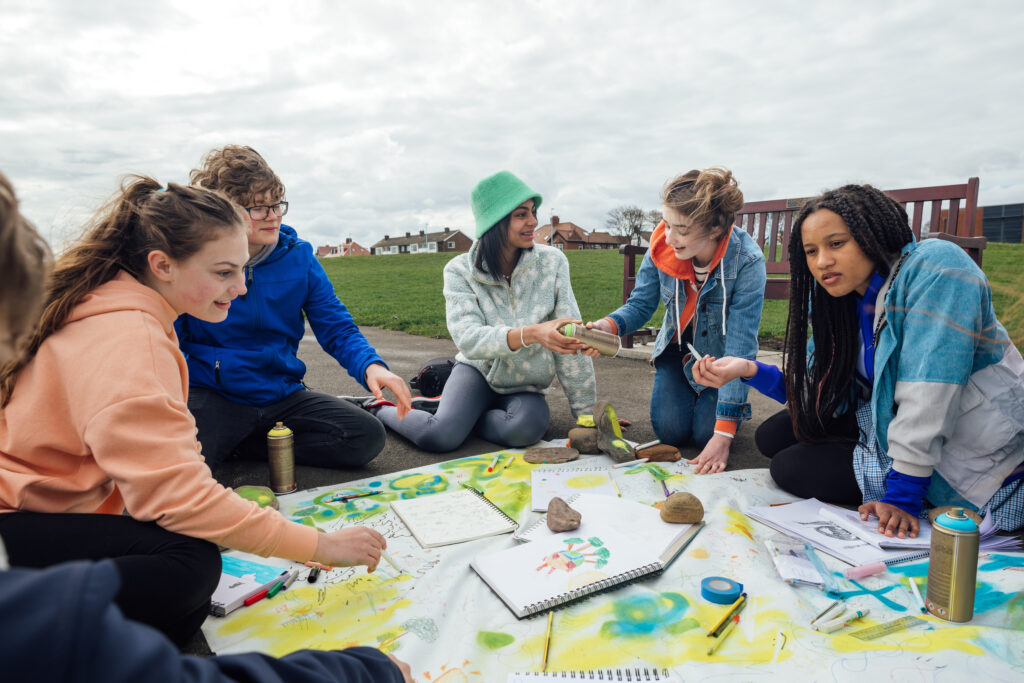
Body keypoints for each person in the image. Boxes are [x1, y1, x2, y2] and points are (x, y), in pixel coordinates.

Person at [0, 176, 390, 646]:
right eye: (224, 273)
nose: (242, 288)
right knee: (191, 568)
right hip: (18, 516)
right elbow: (176, 499)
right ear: (162, 265)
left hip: (42, 500)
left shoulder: (109, 301)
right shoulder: (132, 338)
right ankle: (29, 629)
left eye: (243, 270)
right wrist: (321, 546)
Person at [694, 183, 1024, 537]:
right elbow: (822, 393)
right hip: (888, 418)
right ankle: (874, 457)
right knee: (773, 436)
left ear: (872, 234)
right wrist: (748, 370)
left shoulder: (935, 267)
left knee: (791, 467)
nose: (822, 262)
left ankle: (900, 475)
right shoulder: (844, 301)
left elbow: (930, 394)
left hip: (976, 453)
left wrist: (903, 498)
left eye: (836, 244)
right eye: (811, 251)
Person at [176, 145, 412, 472]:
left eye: (276, 204)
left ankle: (250, 445)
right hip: (214, 394)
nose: (273, 215)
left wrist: (372, 367)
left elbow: (337, 327)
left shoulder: (299, 257)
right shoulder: (196, 261)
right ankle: (239, 442)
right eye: (258, 208)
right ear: (224, 211)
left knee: (365, 436)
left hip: (281, 394)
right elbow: (170, 339)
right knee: (182, 463)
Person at [367, 170, 597, 452]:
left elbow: (572, 340)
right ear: (496, 221)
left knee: (524, 431)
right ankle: (378, 408)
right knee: (440, 437)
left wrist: (586, 415)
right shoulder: (459, 270)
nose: (534, 222)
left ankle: (461, 417)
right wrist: (532, 334)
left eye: (533, 212)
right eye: (521, 214)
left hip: (526, 384)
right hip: (476, 371)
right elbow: (468, 338)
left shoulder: (553, 263)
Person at [587, 168, 766, 473]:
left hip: (719, 363)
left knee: (707, 434)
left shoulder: (747, 261)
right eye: (666, 224)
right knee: (670, 432)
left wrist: (724, 434)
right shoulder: (662, 246)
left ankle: (728, 410)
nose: (669, 237)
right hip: (676, 353)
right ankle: (707, 406)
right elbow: (641, 305)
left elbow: (740, 344)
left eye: (681, 229)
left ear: (714, 229)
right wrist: (608, 327)